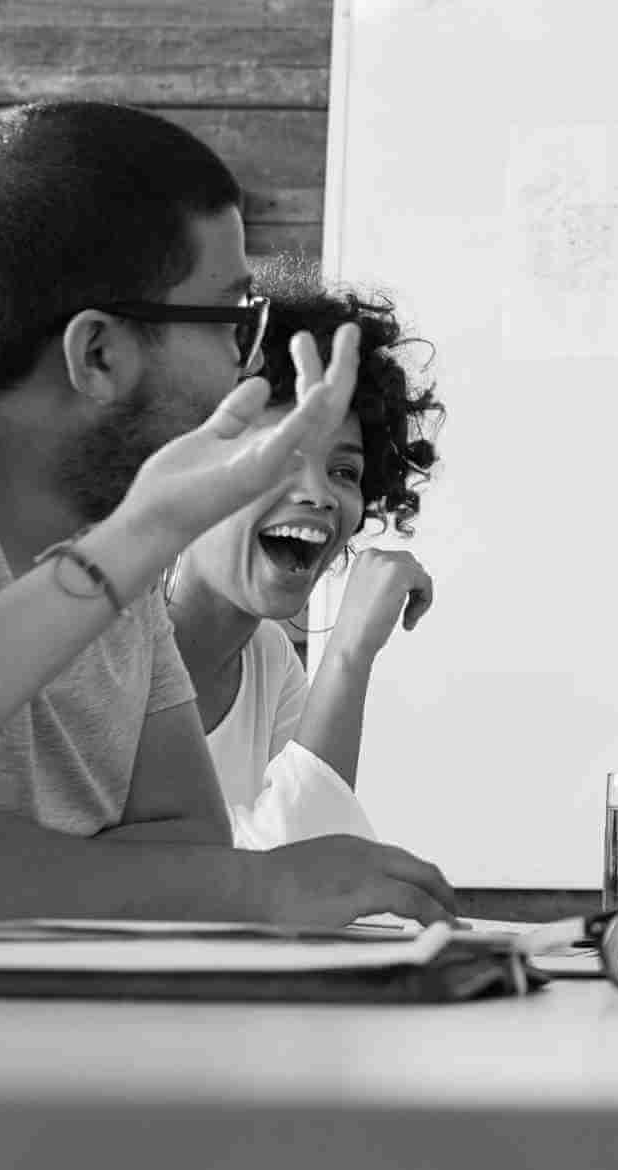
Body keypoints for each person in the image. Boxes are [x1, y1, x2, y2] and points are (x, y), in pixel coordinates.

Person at [0, 100, 458, 939]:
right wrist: (256, 887)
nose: (243, 365)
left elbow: (188, 838)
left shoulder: (117, 529)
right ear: (99, 354)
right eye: (232, 320)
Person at [0, 343, 366, 858]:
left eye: (344, 471)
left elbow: (207, 848)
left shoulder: (232, 640)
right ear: (97, 350)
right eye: (230, 320)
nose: (318, 494)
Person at [164, 264, 442, 850]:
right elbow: (219, 874)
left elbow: (310, 870)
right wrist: (347, 656)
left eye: (344, 471)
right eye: (282, 455)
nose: (319, 494)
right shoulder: (107, 653)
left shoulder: (266, 662)